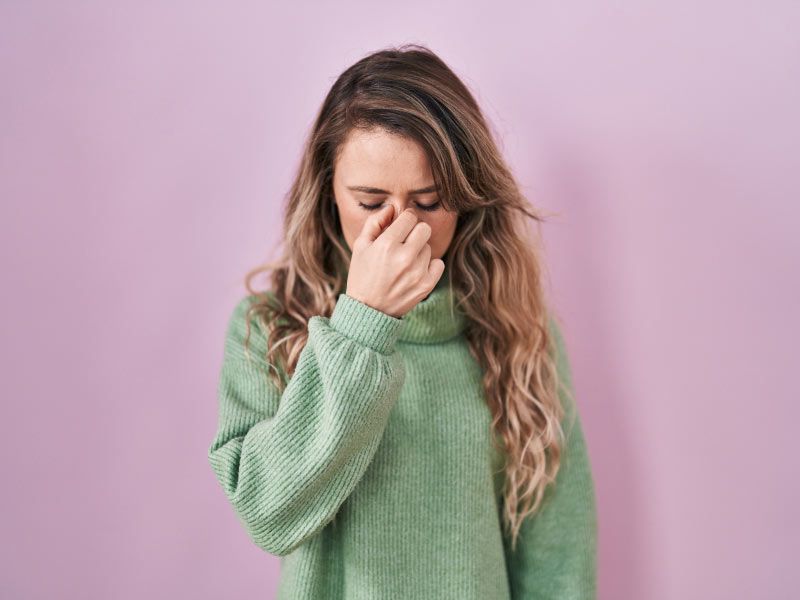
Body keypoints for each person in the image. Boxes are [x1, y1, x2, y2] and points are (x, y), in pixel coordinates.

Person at [207, 43, 597, 599]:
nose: (401, 229)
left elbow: (560, 556)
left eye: (430, 200)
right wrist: (362, 324)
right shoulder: (268, 328)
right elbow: (269, 513)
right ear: (328, 194)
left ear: (466, 199)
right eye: (370, 202)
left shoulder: (516, 332)